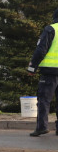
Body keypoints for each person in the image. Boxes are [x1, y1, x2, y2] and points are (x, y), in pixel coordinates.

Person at [27, 7, 58, 137]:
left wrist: (32, 67)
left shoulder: (51, 29)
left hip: (50, 72)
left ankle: (42, 127)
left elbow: (41, 50)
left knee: (44, 99)